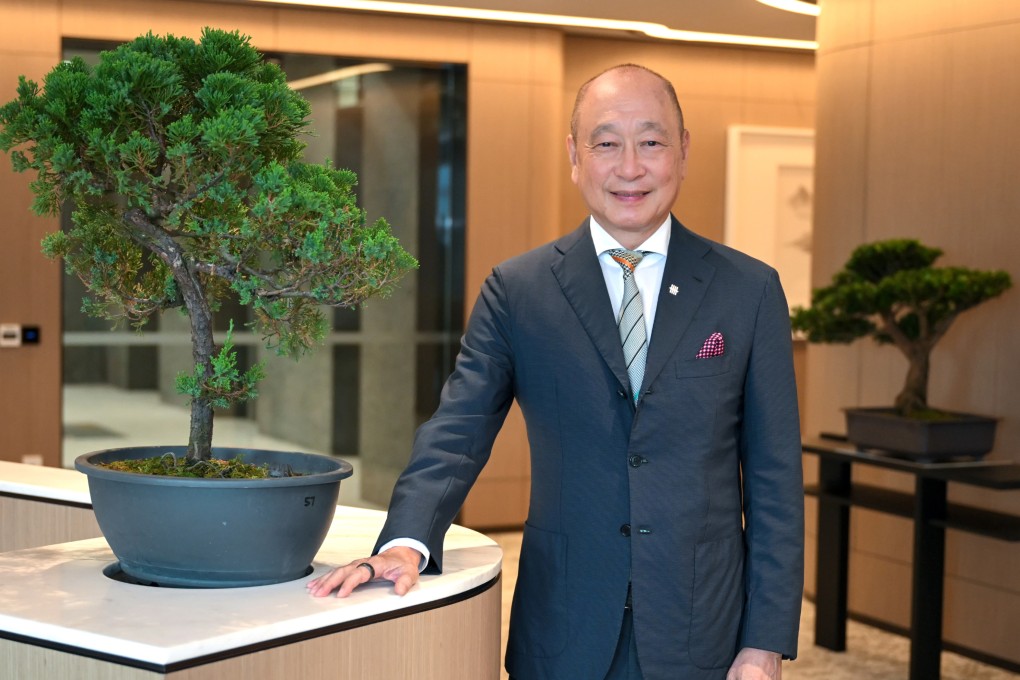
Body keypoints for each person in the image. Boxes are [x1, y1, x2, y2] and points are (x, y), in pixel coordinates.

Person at [308, 63, 804, 680]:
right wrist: (406, 541)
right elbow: (458, 429)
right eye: (606, 143)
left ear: (683, 151)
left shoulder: (748, 290)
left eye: (651, 141)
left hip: (702, 627)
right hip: (564, 623)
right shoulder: (519, 290)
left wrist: (764, 641)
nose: (630, 167)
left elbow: (775, 478)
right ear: (575, 155)